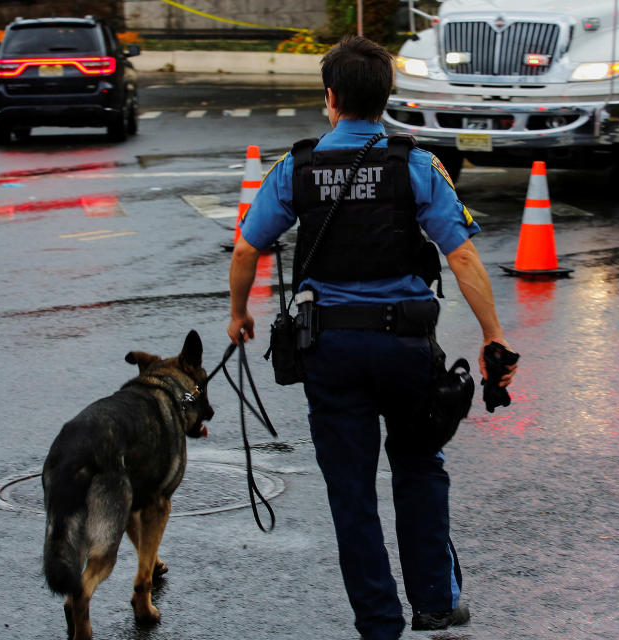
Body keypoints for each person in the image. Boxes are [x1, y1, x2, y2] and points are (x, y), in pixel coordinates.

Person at [226, 36, 517, 640]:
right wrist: (493, 338)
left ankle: (379, 624)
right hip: (407, 348)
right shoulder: (415, 164)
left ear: (330, 98)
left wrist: (239, 316)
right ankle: (436, 601)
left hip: (329, 352)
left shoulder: (297, 167)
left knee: (351, 492)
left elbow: (248, 246)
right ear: (387, 99)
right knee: (418, 466)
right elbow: (461, 256)